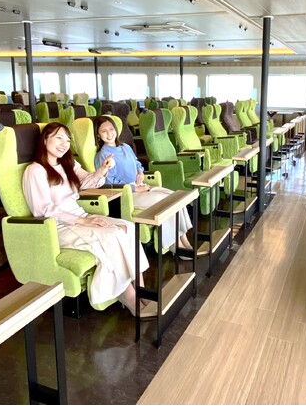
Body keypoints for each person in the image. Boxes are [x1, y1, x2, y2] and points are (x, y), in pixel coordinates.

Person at [22, 122, 154, 317]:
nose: (64, 144)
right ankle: (129, 297)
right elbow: (43, 209)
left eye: (67, 140)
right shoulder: (35, 170)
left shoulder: (68, 164)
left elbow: (88, 181)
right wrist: (82, 221)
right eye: (59, 138)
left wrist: (102, 169)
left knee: (128, 227)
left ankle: (141, 288)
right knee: (112, 236)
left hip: (79, 217)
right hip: (58, 226)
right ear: (44, 140)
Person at [94, 116, 193, 255]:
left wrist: (140, 171)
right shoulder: (102, 156)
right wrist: (135, 188)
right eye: (104, 131)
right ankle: (175, 245)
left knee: (175, 197)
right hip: (126, 194)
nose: (109, 134)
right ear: (98, 135)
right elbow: (108, 184)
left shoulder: (125, 147)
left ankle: (184, 240)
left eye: (111, 129)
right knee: (165, 202)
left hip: (140, 185)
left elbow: (137, 163)